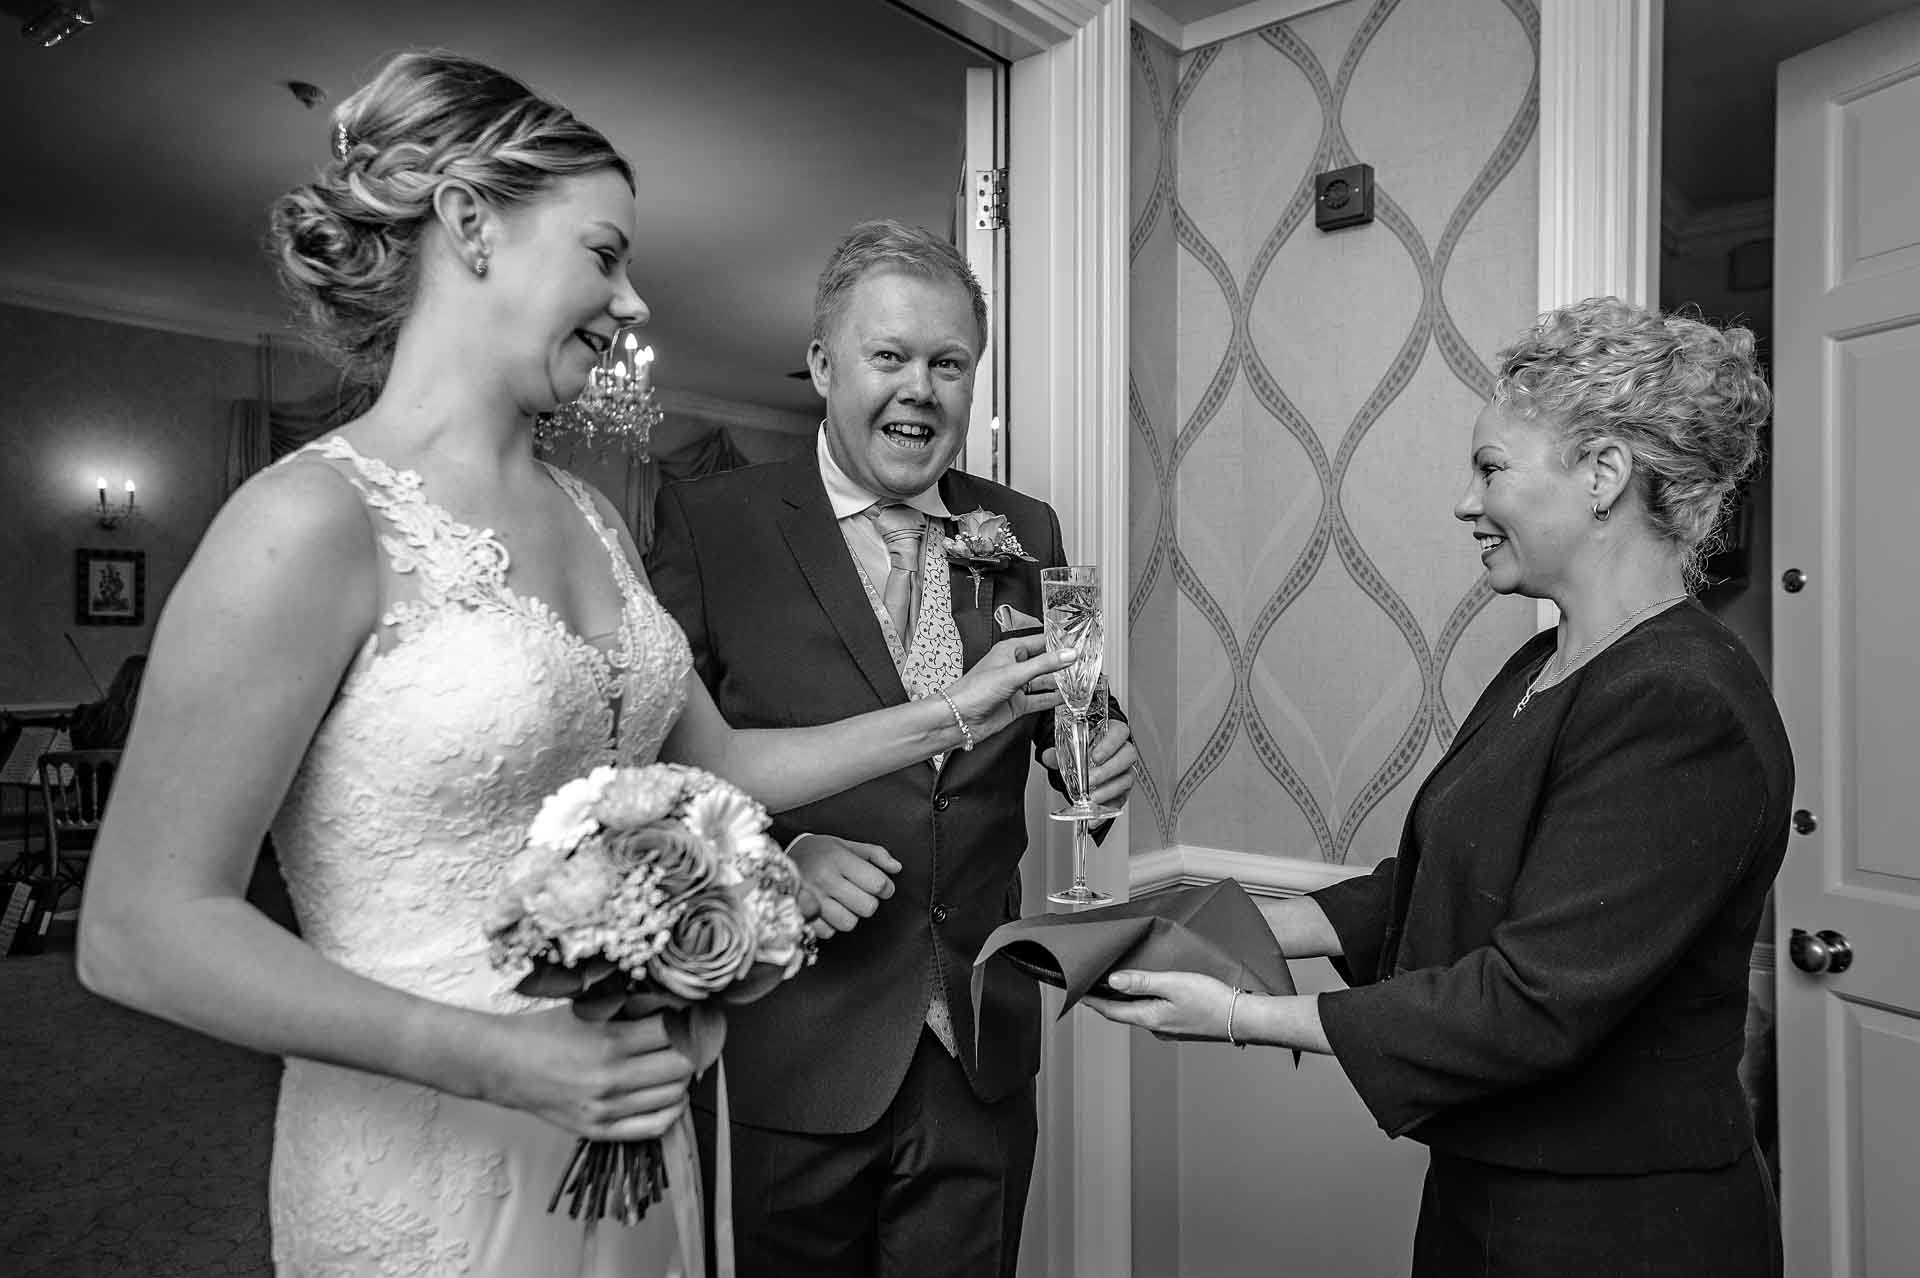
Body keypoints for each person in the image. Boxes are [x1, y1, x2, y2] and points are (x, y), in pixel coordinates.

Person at [75, 53, 1069, 1278]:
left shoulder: (593, 516)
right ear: (469, 224)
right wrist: (511, 1059)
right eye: (606, 255)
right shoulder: (310, 521)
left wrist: (960, 712)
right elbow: (136, 929)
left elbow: (722, 764)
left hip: (634, 1139)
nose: (637, 302)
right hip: (437, 1148)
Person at [1083, 297, 1791, 1277]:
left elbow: (1534, 999)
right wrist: (1209, 920)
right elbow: (1441, 884)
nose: (1466, 502)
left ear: (1604, 476)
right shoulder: (1546, 662)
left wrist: (1238, 1016)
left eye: (1492, 469)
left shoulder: (1680, 703)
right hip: (1489, 1179)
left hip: (1611, 1221)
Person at [647, 218, 1139, 1278]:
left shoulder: (1027, 527)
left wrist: (1096, 749)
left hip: (980, 1041)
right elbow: (654, 770)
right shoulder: (710, 522)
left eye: (949, 363)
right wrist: (772, 861)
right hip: (800, 1036)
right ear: (825, 365)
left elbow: (1076, 703)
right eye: (890, 357)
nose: (921, 388)